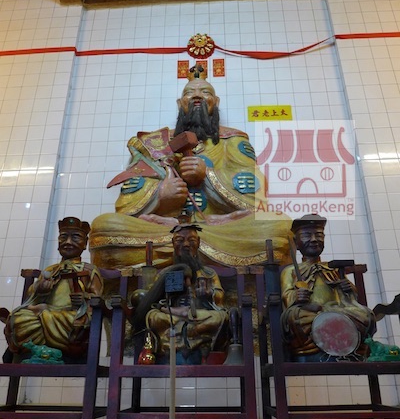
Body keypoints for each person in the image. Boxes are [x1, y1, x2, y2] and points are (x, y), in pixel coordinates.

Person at [89, 65, 291, 269]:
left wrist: (208, 176)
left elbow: (255, 195)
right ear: (180, 103)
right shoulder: (156, 143)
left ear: (216, 102)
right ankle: (202, 253)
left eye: (205, 92)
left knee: (278, 226)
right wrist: (161, 195)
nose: (197, 96)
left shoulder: (232, 140)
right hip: (166, 229)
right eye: (189, 93)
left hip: (219, 227)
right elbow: (126, 202)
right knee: (105, 226)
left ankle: (173, 253)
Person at [3, 217, 103, 361]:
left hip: (68, 318)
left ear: (85, 243)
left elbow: (98, 299)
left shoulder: (89, 270)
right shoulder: (50, 270)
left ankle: (43, 344)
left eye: (75, 237)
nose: (68, 242)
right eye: (63, 237)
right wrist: (39, 290)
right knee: (19, 319)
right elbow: (30, 298)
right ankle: (41, 349)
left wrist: (84, 298)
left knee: (76, 323)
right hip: (44, 314)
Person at [280, 214, 376, 362]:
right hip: (310, 312)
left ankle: (349, 348)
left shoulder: (333, 268)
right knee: (296, 318)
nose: (314, 239)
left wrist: (348, 289)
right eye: (307, 235)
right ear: (296, 242)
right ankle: (315, 350)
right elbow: (286, 296)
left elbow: (351, 298)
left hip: (337, 310)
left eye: (318, 235)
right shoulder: (291, 271)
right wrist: (296, 296)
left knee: (366, 315)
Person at [131, 223, 230, 364]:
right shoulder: (165, 274)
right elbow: (154, 299)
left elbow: (219, 296)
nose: (186, 244)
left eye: (191, 240)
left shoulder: (208, 273)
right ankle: (182, 340)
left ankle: (189, 339)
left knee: (220, 317)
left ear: (198, 242)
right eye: (180, 240)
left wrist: (209, 294)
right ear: (173, 243)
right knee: (153, 316)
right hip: (171, 315)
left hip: (200, 314)